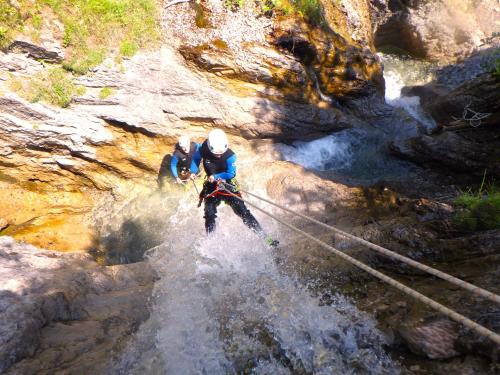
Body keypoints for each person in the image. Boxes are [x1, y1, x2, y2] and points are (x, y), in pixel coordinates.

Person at [199, 129, 278, 246]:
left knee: (243, 212)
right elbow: (196, 155)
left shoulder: (230, 156)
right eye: (216, 153)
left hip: (228, 186)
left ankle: (266, 238)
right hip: (211, 187)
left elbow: (231, 173)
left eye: (221, 152)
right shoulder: (204, 148)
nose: (219, 155)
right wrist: (192, 171)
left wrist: (216, 176)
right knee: (209, 214)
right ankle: (211, 242)